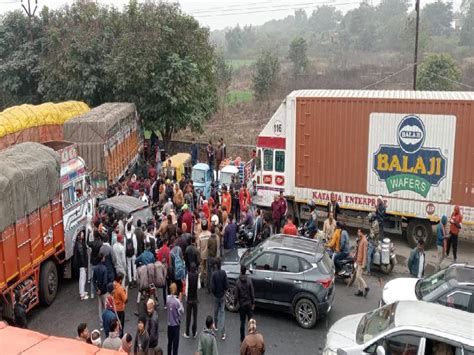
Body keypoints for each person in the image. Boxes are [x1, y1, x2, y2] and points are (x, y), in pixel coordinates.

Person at [236, 265, 255, 343]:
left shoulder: (238, 282)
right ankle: (252, 336)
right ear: (245, 271)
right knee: (251, 321)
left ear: (240, 271)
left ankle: (242, 338)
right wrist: (253, 302)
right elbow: (252, 292)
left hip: (242, 305)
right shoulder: (249, 280)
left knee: (242, 322)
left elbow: (236, 295)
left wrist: (235, 303)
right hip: (249, 304)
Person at [211, 258, 228, 340]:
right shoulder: (224, 273)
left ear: (215, 265)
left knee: (215, 311)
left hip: (216, 296)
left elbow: (212, 288)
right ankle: (223, 333)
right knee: (222, 313)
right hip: (222, 296)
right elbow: (226, 285)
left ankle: (216, 325)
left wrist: (214, 294)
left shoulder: (214, 274)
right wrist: (224, 291)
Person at [166, 282, 184, 355]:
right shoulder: (177, 302)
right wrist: (180, 301)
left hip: (169, 325)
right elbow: (182, 311)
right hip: (176, 325)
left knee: (169, 343)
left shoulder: (167, 298)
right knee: (175, 346)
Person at [93, 253, 108, 326]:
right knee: (105, 306)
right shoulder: (104, 268)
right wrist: (101, 290)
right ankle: (106, 321)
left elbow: (93, 280)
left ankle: (101, 322)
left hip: (98, 290)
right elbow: (105, 282)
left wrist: (97, 290)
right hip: (104, 291)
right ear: (102, 259)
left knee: (100, 307)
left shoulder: (95, 268)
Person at [184, 263, 199, 339]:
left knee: (188, 317)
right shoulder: (197, 275)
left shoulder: (188, 275)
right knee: (195, 317)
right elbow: (198, 286)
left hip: (189, 299)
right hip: (195, 299)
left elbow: (186, 288)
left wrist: (186, 296)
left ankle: (187, 332)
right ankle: (194, 332)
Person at [74, 231, 89, 300]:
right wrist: (85, 265)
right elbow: (82, 255)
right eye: (82, 235)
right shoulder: (80, 245)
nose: (83, 235)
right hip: (82, 264)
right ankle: (82, 295)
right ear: (79, 236)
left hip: (80, 264)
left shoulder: (78, 244)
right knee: (83, 279)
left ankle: (81, 292)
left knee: (82, 279)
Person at [354, 229, 369, 297]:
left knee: (358, 276)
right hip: (358, 260)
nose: (357, 233)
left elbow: (365, 254)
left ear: (361, 233)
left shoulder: (364, 241)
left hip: (361, 262)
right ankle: (360, 290)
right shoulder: (360, 239)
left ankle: (366, 287)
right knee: (358, 276)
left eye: (358, 232)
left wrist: (363, 264)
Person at [198, 220, 211, 288]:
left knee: (202, 268)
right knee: (208, 268)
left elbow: (198, 247)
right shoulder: (209, 234)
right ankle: (208, 281)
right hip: (208, 254)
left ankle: (202, 281)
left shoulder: (200, 236)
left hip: (202, 255)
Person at [114, 273, 128, 337]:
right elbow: (125, 300)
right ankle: (120, 336)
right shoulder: (120, 289)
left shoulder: (113, 285)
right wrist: (126, 293)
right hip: (120, 309)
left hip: (114, 309)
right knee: (121, 325)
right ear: (120, 280)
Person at [125, 222, 138, 287]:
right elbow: (135, 245)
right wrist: (135, 253)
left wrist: (125, 253)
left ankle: (130, 281)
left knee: (129, 267)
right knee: (134, 266)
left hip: (127, 254)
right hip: (133, 253)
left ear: (127, 228)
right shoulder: (133, 236)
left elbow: (124, 246)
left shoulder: (125, 236)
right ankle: (135, 280)